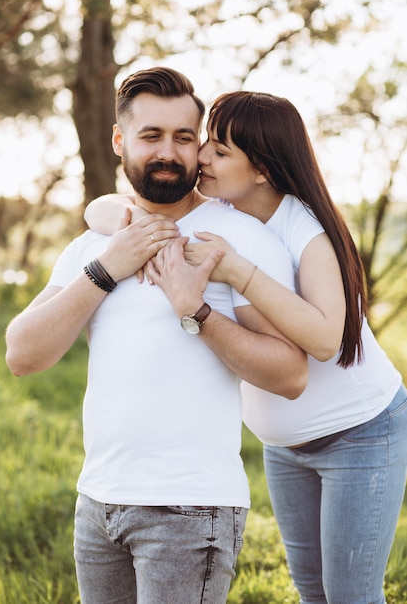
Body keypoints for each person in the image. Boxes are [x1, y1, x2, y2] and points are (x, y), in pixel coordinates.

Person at [85, 89, 407, 604]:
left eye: (219, 150)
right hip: (284, 446)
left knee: (350, 595)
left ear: (260, 169)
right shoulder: (222, 208)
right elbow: (101, 206)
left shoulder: (306, 230)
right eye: (206, 143)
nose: (201, 157)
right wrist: (130, 223)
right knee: (310, 590)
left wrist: (238, 269)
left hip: (361, 433)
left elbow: (325, 340)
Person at [5, 69, 308, 604]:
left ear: (200, 147)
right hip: (98, 504)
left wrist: (194, 310)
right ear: (120, 141)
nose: (168, 151)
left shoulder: (235, 239)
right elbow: (23, 354)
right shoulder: (97, 242)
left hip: (190, 508)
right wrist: (108, 267)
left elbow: (290, 375)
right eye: (151, 136)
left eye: (184, 137)